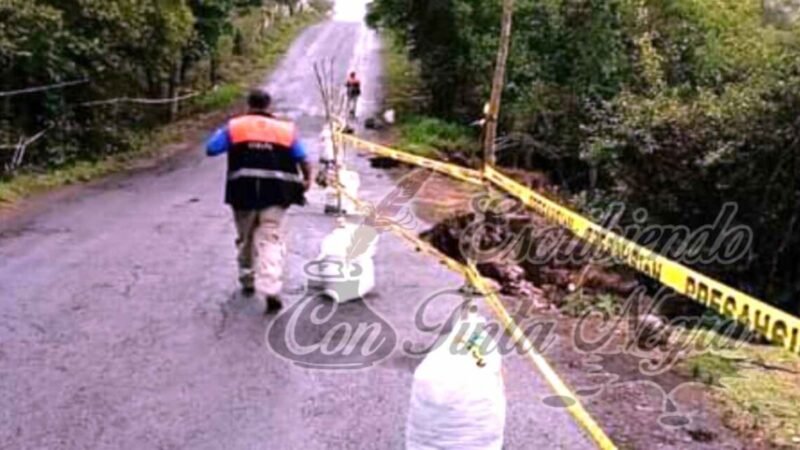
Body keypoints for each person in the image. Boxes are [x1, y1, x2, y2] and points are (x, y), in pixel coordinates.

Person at [206, 89, 313, 314]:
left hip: (242, 192)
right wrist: (307, 180)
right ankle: (271, 286)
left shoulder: (235, 127)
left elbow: (211, 148)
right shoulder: (285, 130)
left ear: (249, 104)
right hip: (276, 193)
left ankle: (247, 279)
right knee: (271, 238)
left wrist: (228, 130)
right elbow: (303, 158)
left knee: (245, 238)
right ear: (268, 105)